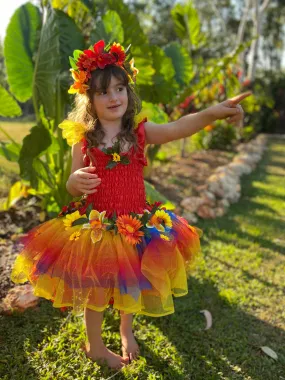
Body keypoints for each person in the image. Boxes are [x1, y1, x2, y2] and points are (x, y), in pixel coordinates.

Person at [10, 40, 250, 370]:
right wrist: (74, 182)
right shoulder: (83, 139)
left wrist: (211, 112)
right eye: (104, 92)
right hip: (97, 227)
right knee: (95, 291)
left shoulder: (139, 132)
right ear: (90, 98)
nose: (114, 97)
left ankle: (126, 330)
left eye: (120, 88)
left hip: (135, 224)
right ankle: (94, 345)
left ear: (128, 91)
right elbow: (70, 183)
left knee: (132, 282)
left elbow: (178, 127)